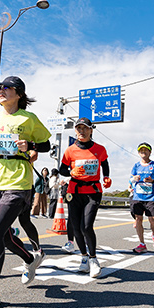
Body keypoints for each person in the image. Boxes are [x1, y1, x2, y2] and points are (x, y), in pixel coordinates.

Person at [0, 76, 51, 308]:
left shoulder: (29, 118)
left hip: (19, 182)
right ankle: (30, 259)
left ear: (19, 93)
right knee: (4, 237)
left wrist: (31, 146)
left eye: (6, 87)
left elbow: (45, 144)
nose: (1, 91)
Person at [59, 117, 111, 277]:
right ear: (75, 131)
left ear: (91, 130)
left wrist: (107, 176)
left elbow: (104, 164)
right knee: (76, 228)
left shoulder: (99, 149)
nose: (81, 131)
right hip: (74, 191)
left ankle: (94, 259)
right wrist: (71, 172)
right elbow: (62, 170)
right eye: (78, 128)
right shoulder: (70, 150)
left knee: (86, 227)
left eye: (84, 128)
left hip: (93, 192)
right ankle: (84, 257)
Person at [130, 142, 154, 253]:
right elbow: (130, 179)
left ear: (150, 152)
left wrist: (153, 180)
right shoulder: (136, 165)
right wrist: (134, 178)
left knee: (152, 220)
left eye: (145, 150)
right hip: (138, 197)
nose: (143, 152)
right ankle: (142, 244)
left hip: (150, 197)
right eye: (141, 150)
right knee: (138, 219)